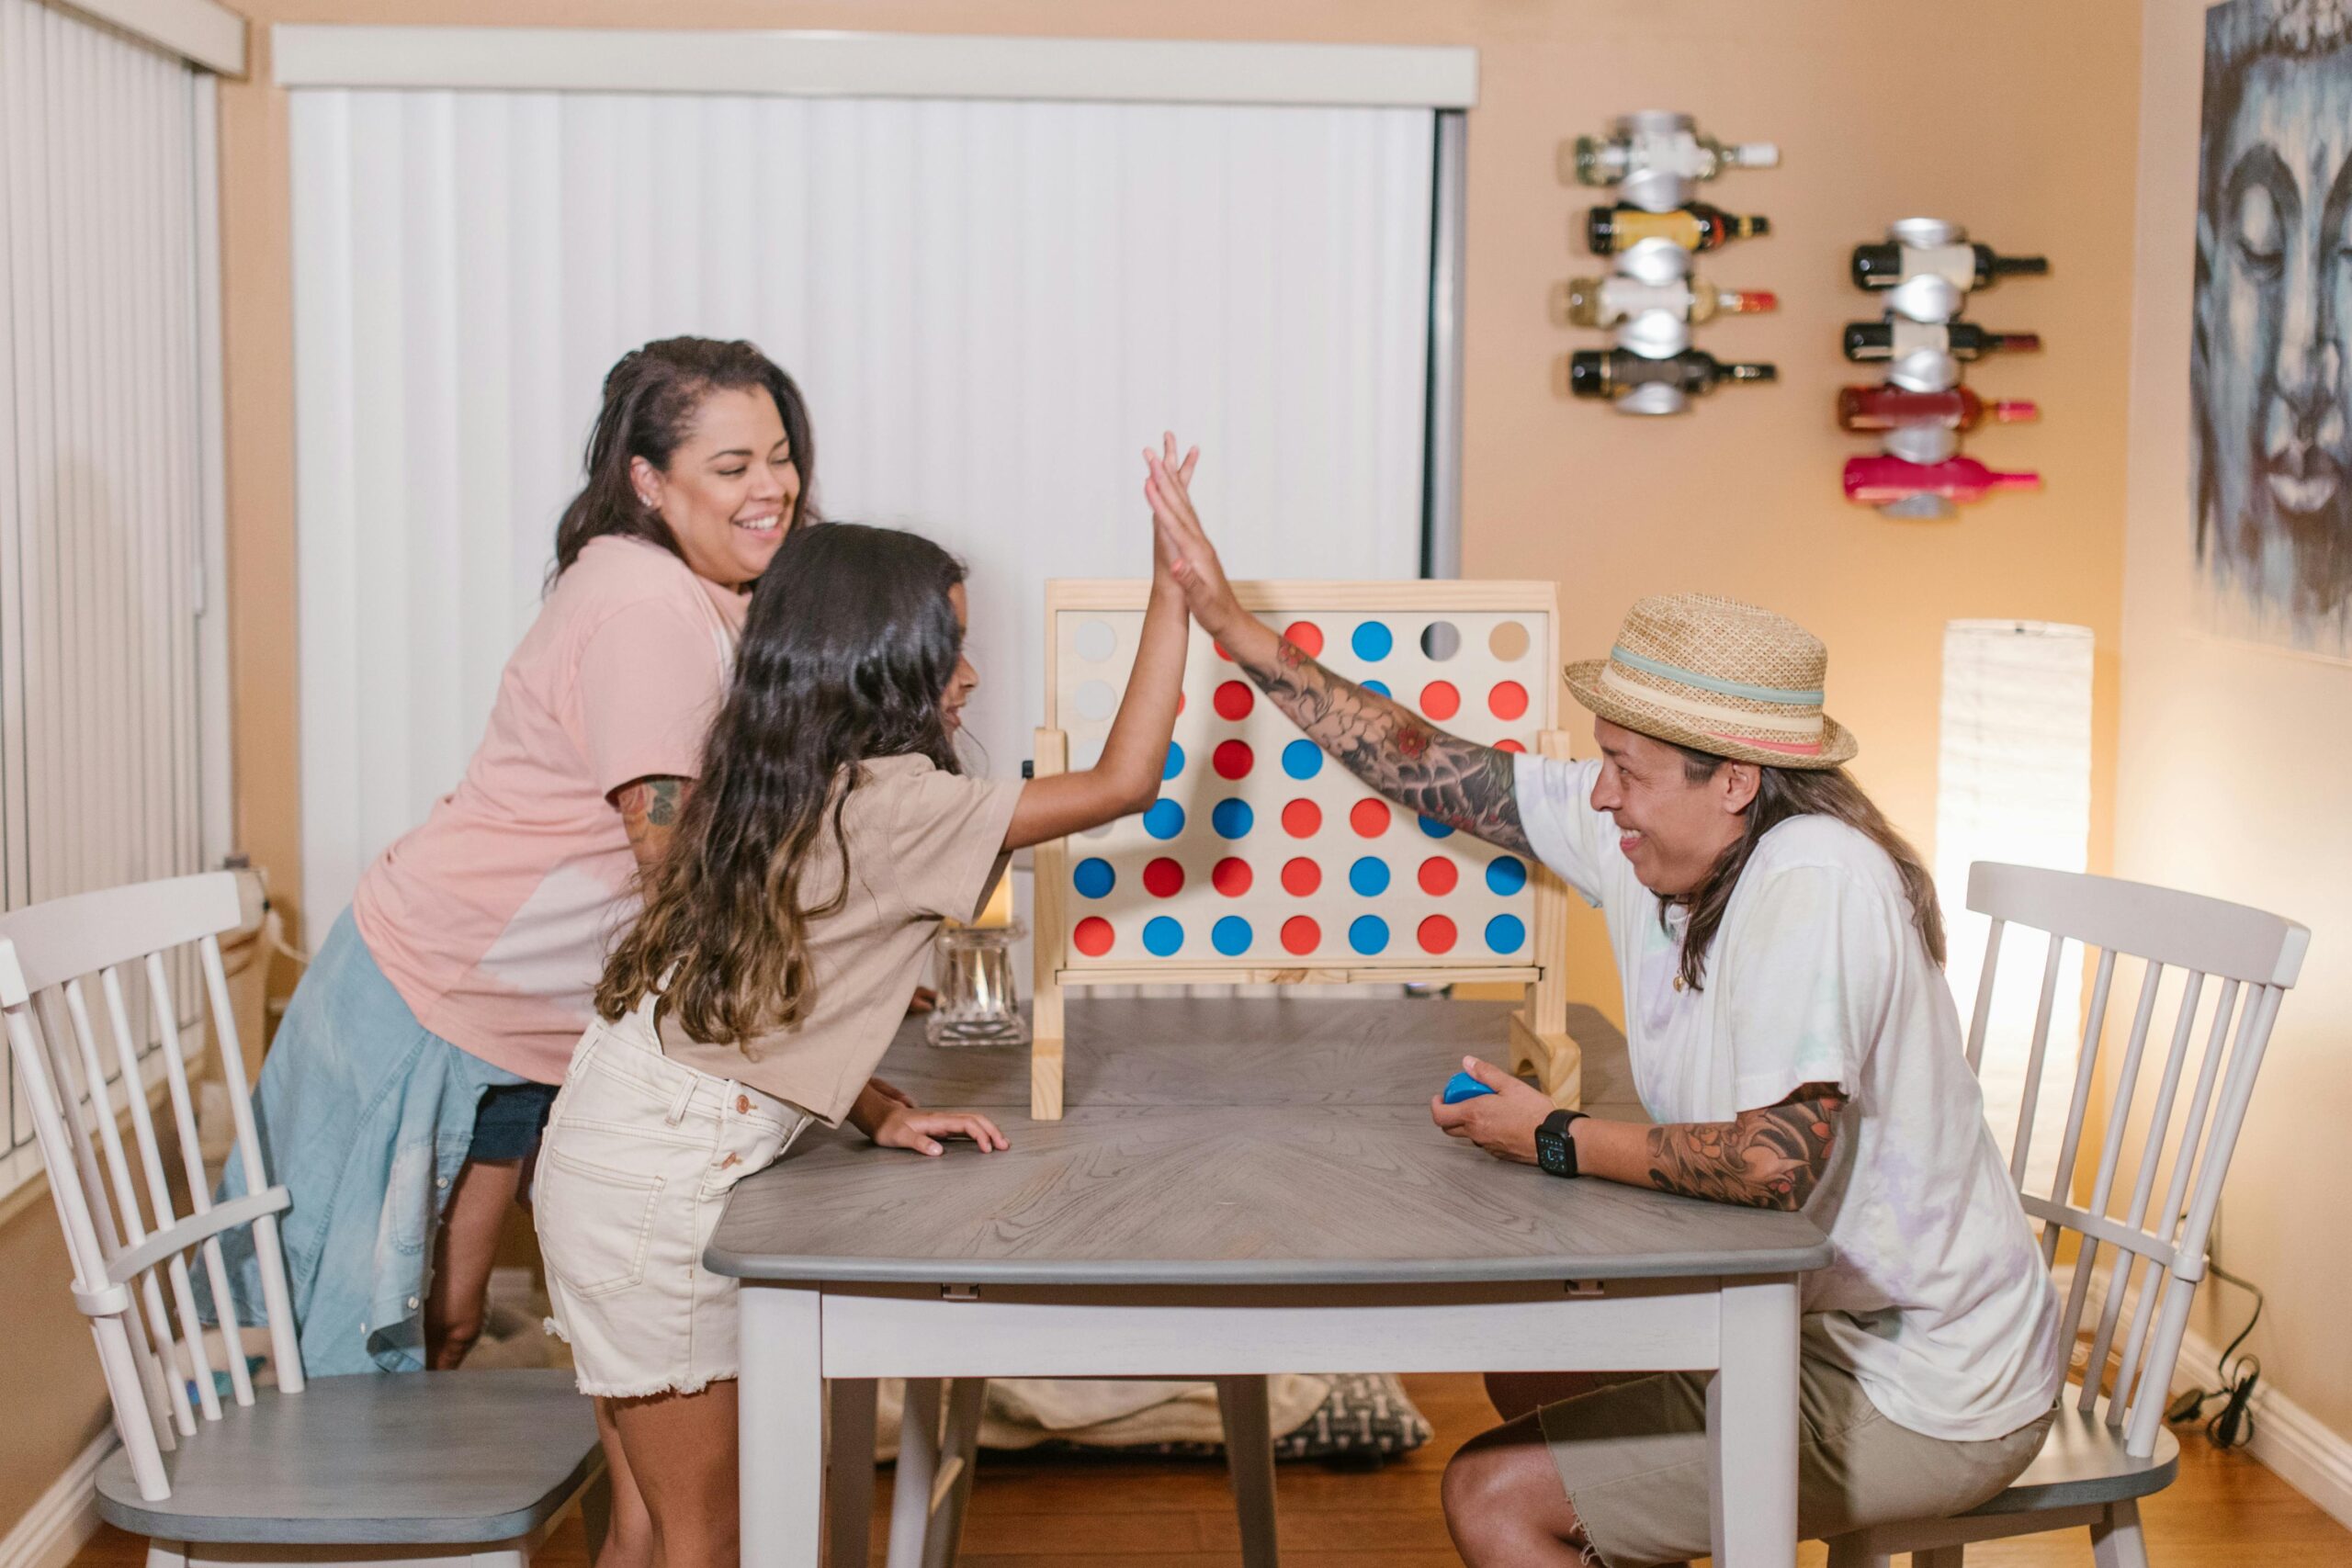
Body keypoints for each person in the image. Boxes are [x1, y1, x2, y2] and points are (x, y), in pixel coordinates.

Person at [1140, 464, 2064, 1568]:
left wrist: (1550, 1136)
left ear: (1732, 781)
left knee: (1492, 1496)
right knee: (1528, 1362)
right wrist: (1234, 628)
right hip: (1814, 1327)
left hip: (1923, 1381)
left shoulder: (1814, 878)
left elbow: (1774, 1162)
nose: (1600, 793)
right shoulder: (1658, 837)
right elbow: (1428, 767)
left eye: (1622, 767)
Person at [534, 439, 1198, 1568]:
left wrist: (876, 1104)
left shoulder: (775, 771)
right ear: (880, 665)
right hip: (656, 1189)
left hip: (613, 1149)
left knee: (649, 1525)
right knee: (704, 1535)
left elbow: (756, 1012)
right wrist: (1176, 590)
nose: (970, 679)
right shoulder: (902, 805)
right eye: (950, 653)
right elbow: (1127, 781)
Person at [216, 337, 831, 1375]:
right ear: (649, 480)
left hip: (524, 1021)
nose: (770, 486)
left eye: (779, 455)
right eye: (732, 467)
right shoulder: (646, 606)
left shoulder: (696, 589)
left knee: (444, 1327)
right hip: (435, 996)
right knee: (346, 1341)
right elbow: (673, 865)